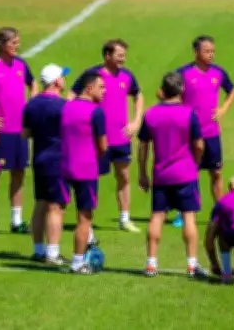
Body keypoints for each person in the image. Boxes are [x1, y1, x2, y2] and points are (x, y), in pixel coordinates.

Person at [138, 71, 209, 277]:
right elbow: (199, 144)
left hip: (161, 175)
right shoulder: (189, 114)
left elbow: (143, 147)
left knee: (157, 217)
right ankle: (191, 264)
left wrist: (142, 173)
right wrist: (194, 163)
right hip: (185, 174)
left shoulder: (150, 114)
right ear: (182, 89)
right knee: (189, 217)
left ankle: (151, 264)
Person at [70, 39, 144, 233]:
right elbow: (72, 94)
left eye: (124, 55)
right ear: (107, 56)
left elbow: (138, 95)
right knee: (91, 178)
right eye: (119, 55)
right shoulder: (93, 75)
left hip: (121, 137)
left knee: (124, 176)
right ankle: (87, 219)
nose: (123, 59)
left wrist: (136, 121)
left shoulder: (127, 76)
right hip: (96, 138)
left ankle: (124, 218)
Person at [172, 36, 234, 227]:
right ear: (196, 52)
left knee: (216, 172)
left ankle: (221, 212)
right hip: (188, 134)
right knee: (187, 173)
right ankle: (182, 212)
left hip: (211, 133)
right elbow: (163, 92)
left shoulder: (218, 73)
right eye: (207, 51)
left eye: (212, 51)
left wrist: (223, 109)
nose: (211, 54)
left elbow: (232, 90)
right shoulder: (183, 73)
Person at [0, 27, 38, 238]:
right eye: (14, 42)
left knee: (19, 172)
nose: (17, 46)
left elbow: (33, 83)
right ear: (1, 45)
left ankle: (16, 220)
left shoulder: (21, 64)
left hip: (20, 129)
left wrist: (32, 102)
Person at [60, 72, 107, 274]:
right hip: (86, 169)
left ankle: (49, 250)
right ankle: (78, 262)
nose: (104, 91)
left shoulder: (65, 107)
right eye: (101, 87)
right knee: (84, 218)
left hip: (63, 166)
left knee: (56, 210)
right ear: (89, 88)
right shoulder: (96, 112)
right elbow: (103, 146)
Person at [22, 64, 69, 265]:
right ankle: (52, 253)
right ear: (57, 81)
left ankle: (39, 250)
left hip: (39, 159)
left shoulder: (31, 104)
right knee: (56, 207)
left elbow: (25, 133)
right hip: (58, 160)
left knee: (40, 204)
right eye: (63, 77)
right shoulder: (63, 106)